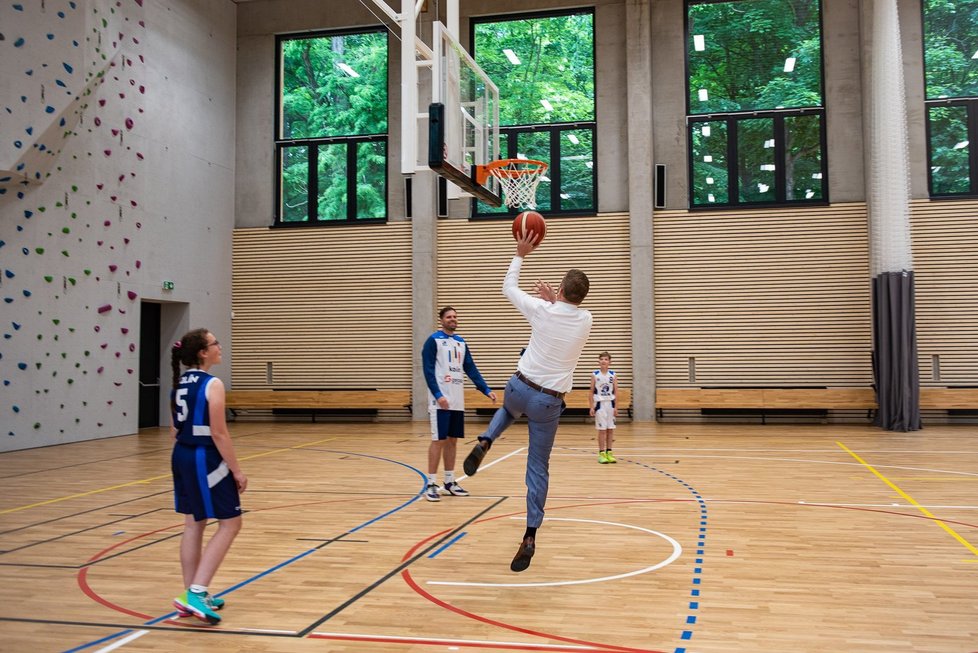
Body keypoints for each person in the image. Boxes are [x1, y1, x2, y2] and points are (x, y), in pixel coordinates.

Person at [463, 232, 592, 572]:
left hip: (518, 388)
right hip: (547, 403)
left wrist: (520, 254)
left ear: (560, 290)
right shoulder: (586, 319)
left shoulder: (542, 311)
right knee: (537, 468)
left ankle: (486, 439)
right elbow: (568, 312)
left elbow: (508, 288)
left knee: (507, 409)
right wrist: (556, 301)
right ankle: (530, 534)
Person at [169, 329, 247, 625]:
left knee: (193, 522)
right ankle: (198, 591)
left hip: (181, 455)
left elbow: (174, 430)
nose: (219, 346)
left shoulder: (178, 384)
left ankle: (192, 592)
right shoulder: (212, 383)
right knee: (231, 523)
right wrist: (236, 470)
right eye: (215, 343)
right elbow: (218, 432)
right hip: (205, 457)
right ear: (203, 352)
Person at [421, 306, 497, 502]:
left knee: (453, 441)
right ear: (442, 320)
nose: (452, 319)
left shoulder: (461, 342)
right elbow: (428, 371)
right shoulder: (433, 341)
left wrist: (486, 390)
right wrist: (438, 395)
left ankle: (449, 481)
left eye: (455, 316)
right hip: (441, 401)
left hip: (456, 400)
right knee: (438, 440)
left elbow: (471, 368)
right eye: (449, 317)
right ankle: (430, 483)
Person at [589, 351, 618, 463]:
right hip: (599, 405)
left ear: (609, 362)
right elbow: (591, 391)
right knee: (602, 431)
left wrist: (616, 407)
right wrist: (591, 407)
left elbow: (616, 391)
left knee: (610, 429)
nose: (603, 361)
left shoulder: (613, 375)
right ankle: (601, 453)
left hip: (610, 404)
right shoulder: (595, 375)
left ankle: (609, 452)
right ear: (599, 361)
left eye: (606, 359)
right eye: (601, 359)